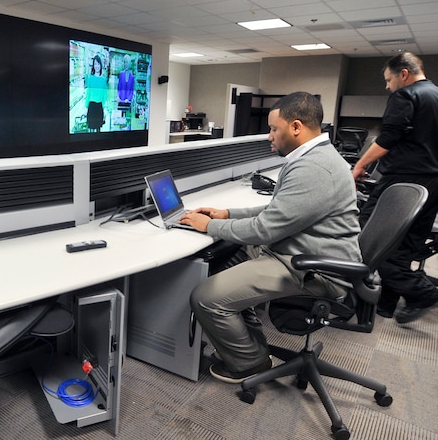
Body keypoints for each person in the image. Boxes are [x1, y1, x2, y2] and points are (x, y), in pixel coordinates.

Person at [179, 92, 361, 383]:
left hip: (313, 268)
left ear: (296, 127)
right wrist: (227, 213)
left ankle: (249, 363)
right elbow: (280, 210)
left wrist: (208, 227)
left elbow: (265, 229)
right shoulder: (316, 157)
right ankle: (251, 347)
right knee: (229, 261)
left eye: (274, 129)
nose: (268, 136)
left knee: (205, 297)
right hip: (302, 252)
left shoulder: (314, 168)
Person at [351, 52, 438, 324]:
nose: (388, 86)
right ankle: (386, 304)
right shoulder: (436, 94)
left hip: (403, 182)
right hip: (433, 184)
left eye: (389, 80)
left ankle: (423, 292)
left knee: (370, 239)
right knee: (405, 247)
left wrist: (359, 165)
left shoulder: (405, 96)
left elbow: (388, 138)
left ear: (403, 74)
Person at [85, 55, 108, 132]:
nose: (97, 66)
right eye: (95, 64)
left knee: (98, 129)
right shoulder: (90, 78)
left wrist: (104, 108)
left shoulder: (103, 80)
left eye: (98, 64)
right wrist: (86, 106)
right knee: (91, 129)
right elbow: (88, 93)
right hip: (91, 106)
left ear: (101, 65)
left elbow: (105, 95)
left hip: (99, 107)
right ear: (93, 66)